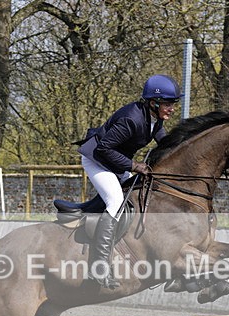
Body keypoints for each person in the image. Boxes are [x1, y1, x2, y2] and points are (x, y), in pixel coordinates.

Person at [76, 74, 182, 289]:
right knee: (116, 201)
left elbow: (162, 140)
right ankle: (99, 267)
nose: (172, 109)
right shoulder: (131, 119)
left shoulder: (154, 118)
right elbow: (104, 149)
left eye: (174, 104)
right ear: (154, 102)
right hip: (98, 160)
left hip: (116, 161)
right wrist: (134, 166)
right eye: (169, 104)